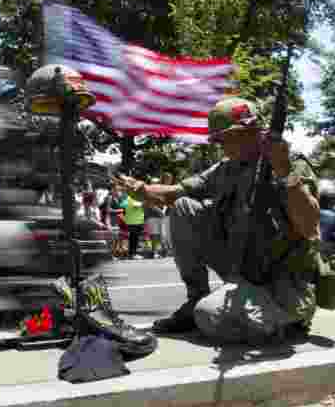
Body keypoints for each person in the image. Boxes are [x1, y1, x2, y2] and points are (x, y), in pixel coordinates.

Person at [116, 97, 319, 343]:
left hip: (280, 284)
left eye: (230, 138)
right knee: (184, 207)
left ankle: (283, 320)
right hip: (242, 268)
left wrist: (284, 172)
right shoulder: (227, 168)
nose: (225, 146)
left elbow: (309, 227)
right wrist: (142, 189)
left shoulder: (290, 164)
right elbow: (177, 193)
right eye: (223, 140)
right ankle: (196, 298)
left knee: (209, 315)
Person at [121, 187, 145, 259]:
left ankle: (132, 253)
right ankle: (133, 254)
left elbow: (122, 205)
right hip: (135, 222)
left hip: (133, 221)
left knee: (133, 238)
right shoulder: (132, 199)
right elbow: (138, 205)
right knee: (134, 239)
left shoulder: (128, 199)